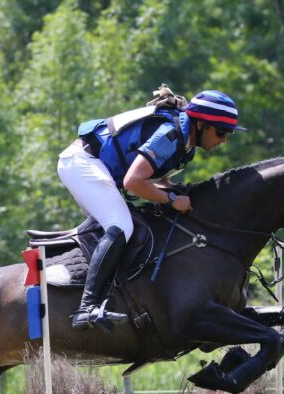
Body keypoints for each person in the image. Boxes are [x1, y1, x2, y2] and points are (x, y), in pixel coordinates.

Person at [58, 88, 247, 330]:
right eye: (221, 132)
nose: (223, 140)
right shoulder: (171, 135)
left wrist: (170, 190)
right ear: (200, 125)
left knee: (132, 224)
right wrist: (170, 200)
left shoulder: (186, 142)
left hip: (98, 167)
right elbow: (133, 182)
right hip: (81, 163)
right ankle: (86, 308)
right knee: (120, 225)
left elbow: (150, 178)